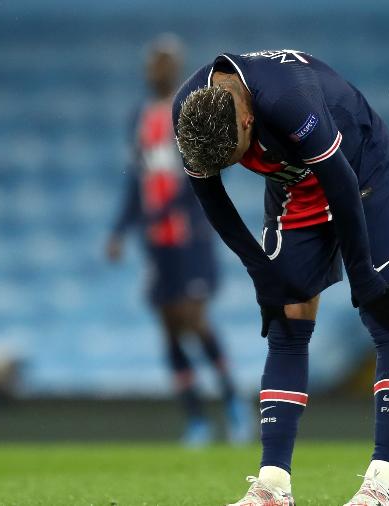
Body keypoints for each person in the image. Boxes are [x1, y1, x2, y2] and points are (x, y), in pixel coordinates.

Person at [173, 49, 389, 506]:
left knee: (385, 312)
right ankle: (273, 488)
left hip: (360, 168)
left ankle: (381, 484)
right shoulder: (191, 114)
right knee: (287, 319)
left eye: (234, 158)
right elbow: (212, 200)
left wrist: (362, 274)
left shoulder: (288, 99)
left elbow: (340, 182)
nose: (230, 167)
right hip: (295, 184)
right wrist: (259, 272)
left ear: (247, 121)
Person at [105, 35, 250, 446]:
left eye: (165, 63)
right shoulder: (139, 118)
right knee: (169, 328)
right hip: (157, 241)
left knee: (194, 318)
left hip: (190, 236)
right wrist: (120, 230)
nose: (158, 70)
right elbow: (137, 180)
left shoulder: (189, 110)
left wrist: (167, 212)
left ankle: (233, 403)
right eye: (154, 63)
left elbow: (201, 170)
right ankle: (196, 419)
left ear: (177, 67)